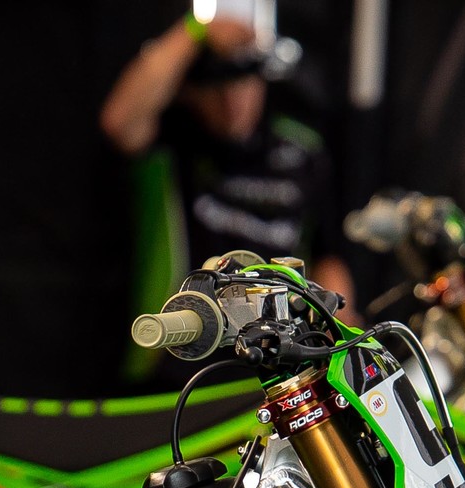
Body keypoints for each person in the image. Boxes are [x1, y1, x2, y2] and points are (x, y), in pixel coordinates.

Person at [100, 12, 355, 306]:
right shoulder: (175, 142)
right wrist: (194, 31)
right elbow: (119, 123)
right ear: (191, 91)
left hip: (276, 337)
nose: (232, 100)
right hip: (183, 331)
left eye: (242, 81)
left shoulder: (303, 150)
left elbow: (330, 257)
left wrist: (334, 315)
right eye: (217, 86)